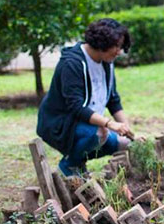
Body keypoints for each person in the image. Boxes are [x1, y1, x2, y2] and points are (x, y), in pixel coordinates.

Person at [37, 18, 136, 177]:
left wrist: (127, 129)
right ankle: (70, 165)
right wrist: (110, 124)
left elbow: (113, 99)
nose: (119, 51)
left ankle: (79, 162)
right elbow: (76, 108)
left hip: (90, 126)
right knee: (98, 133)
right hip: (61, 124)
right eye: (116, 46)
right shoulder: (72, 63)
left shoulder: (106, 62)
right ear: (102, 44)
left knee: (125, 144)